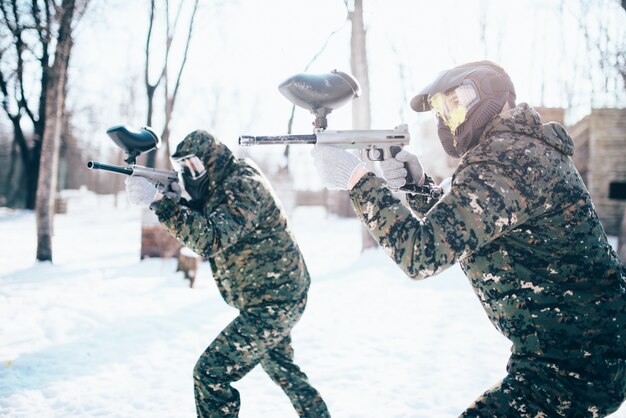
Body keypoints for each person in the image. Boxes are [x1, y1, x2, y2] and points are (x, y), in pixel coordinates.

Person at [311, 60, 626, 417]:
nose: (448, 121)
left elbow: (421, 254)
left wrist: (357, 180)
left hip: (574, 366)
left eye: (455, 105)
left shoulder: (508, 157)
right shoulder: (520, 147)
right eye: (442, 111)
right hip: (583, 351)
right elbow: (482, 220)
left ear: (490, 96)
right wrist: (418, 189)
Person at [125, 129, 330, 418]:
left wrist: (161, 202)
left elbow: (211, 238)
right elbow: (210, 221)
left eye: (195, 165)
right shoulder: (224, 185)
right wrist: (181, 202)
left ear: (214, 159)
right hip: (273, 298)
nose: (191, 174)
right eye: (184, 168)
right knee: (285, 371)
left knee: (210, 374)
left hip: (274, 303)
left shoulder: (242, 185)